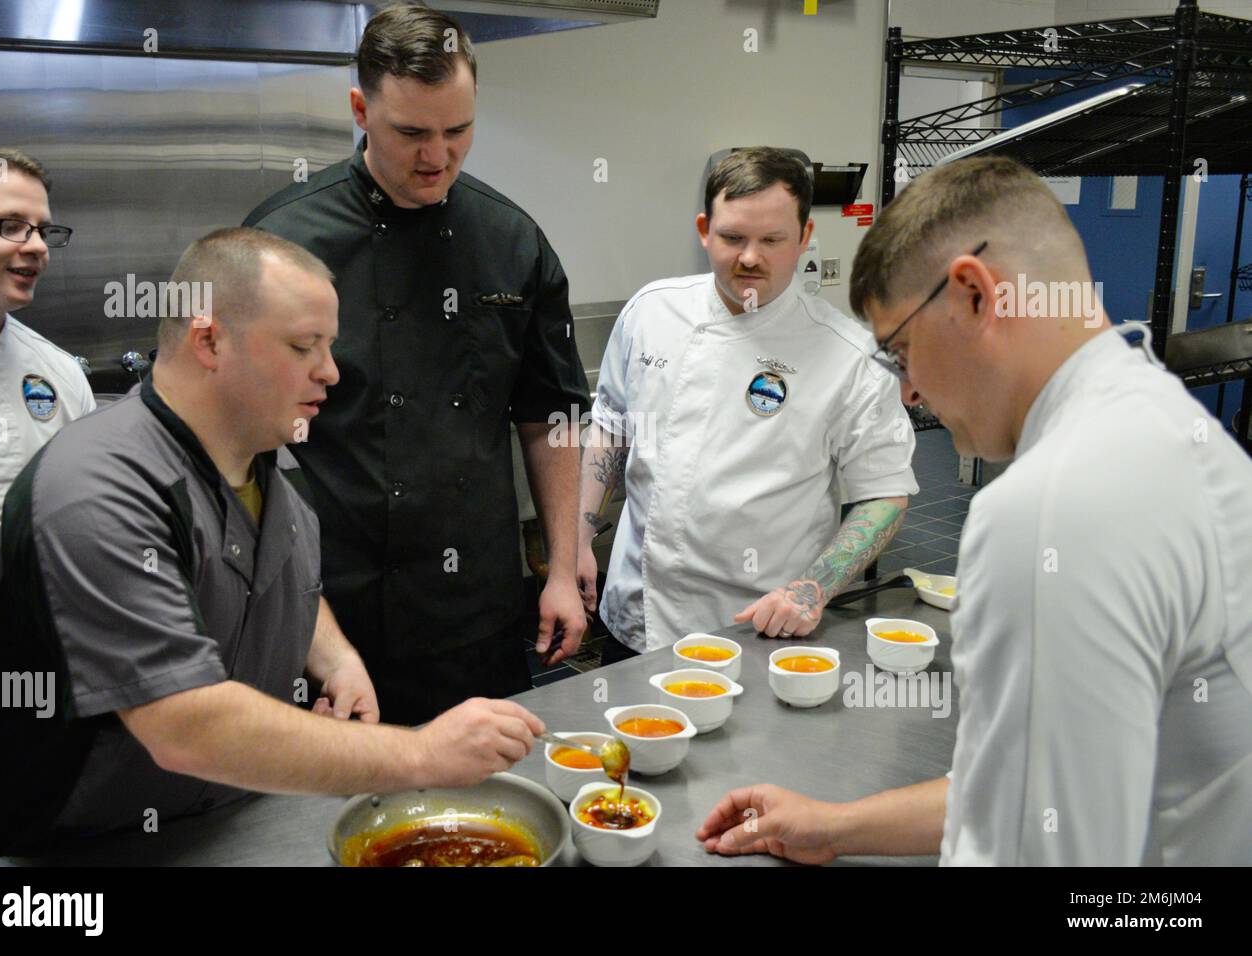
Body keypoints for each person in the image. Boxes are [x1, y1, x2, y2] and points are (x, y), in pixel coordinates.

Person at [697, 156, 1252, 866]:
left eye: (902, 352)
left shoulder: (1052, 507)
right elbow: (1028, 790)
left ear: (973, 296)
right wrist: (834, 826)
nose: (912, 392)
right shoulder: (1160, 423)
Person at [0, 228, 545, 866]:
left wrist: (336, 657)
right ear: (209, 340)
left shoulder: (267, 465)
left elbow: (269, 570)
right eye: (303, 346)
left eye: (330, 345)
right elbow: (188, 725)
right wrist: (422, 753)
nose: (331, 371)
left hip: (211, 825)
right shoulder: (96, 488)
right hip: (61, 856)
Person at [244, 4, 589, 723]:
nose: (437, 156)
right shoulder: (283, 243)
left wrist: (561, 567)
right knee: (330, 822)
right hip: (325, 616)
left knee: (488, 811)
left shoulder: (513, 241)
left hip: (474, 616)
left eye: (457, 130)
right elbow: (236, 439)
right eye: (411, 133)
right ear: (360, 110)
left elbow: (546, 417)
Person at [577, 147, 917, 659]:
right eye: (733, 237)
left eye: (772, 240)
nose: (750, 257)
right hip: (637, 615)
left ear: (804, 238)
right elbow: (611, 427)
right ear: (703, 230)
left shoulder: (851, 358)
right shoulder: (651, 312)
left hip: (759, 628)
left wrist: (811, 591)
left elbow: (885, 493)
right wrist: (578, 539)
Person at [0, 147, 95, 675]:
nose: (37, 248)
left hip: (27, 714)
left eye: (43, 230)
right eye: (10, 226)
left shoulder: (59, 376)